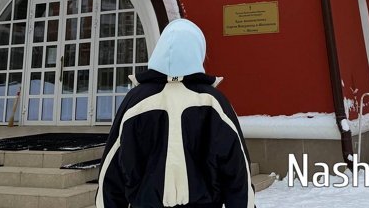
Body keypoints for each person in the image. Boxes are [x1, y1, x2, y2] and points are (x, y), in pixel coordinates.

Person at [96, 18, 255, 208]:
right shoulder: (213, 102)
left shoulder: (135, 101)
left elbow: (111, 172)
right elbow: (237, 171)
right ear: (198, 51)